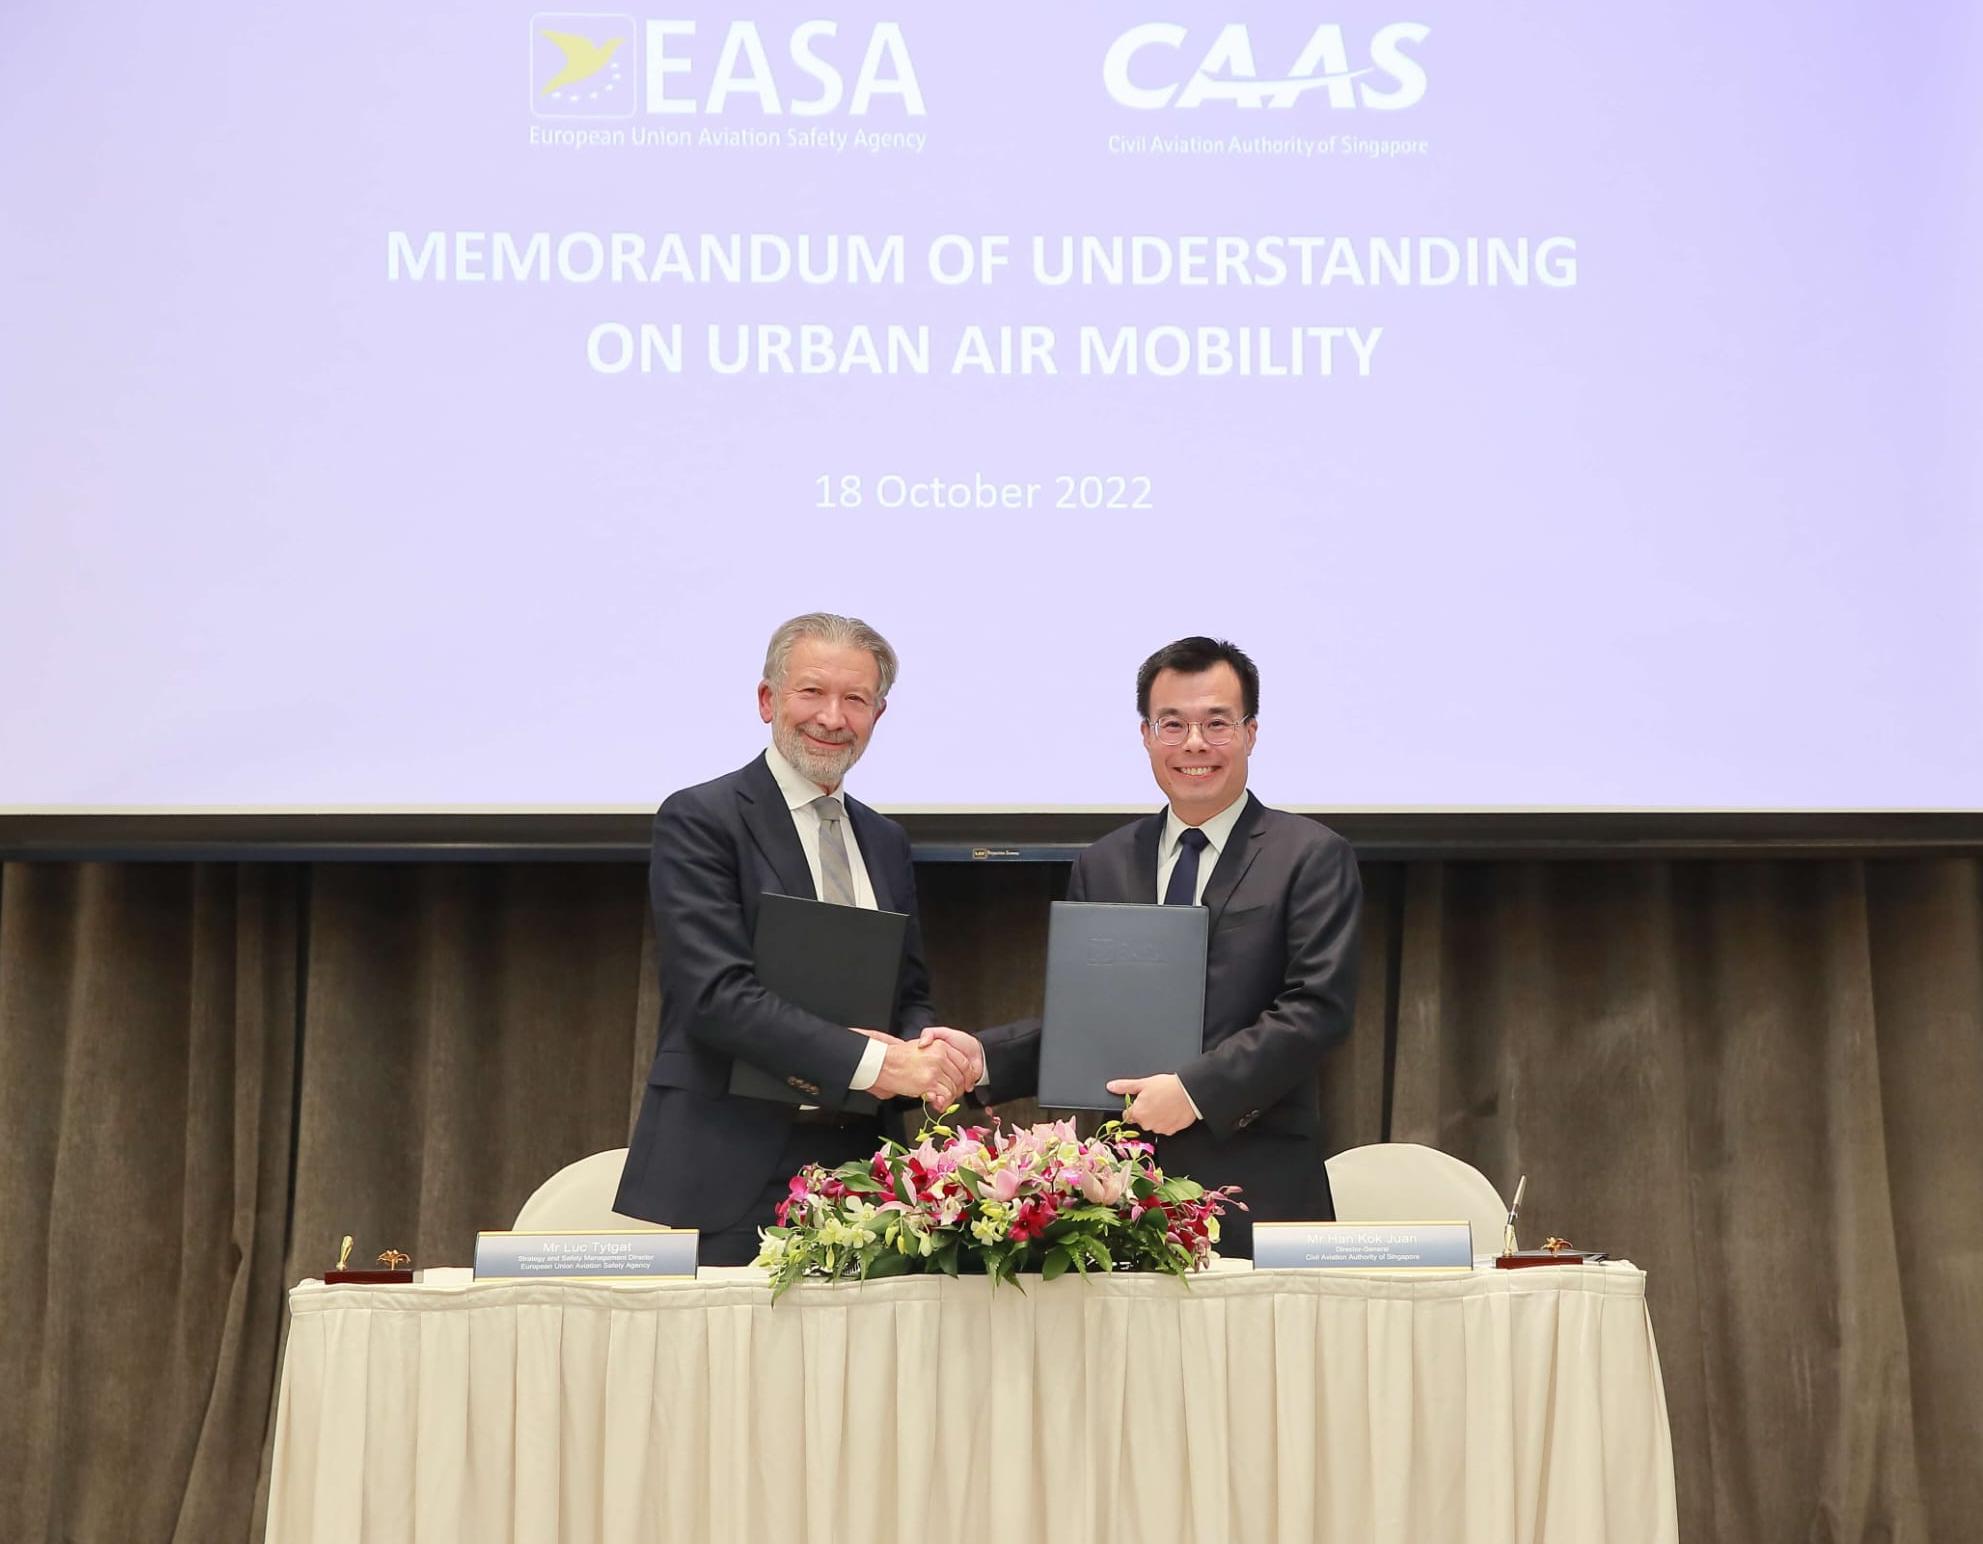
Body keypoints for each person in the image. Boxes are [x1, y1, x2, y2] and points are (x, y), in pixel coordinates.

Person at [932, 637, 1362, 1258]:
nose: (1194, 744)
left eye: (1217, 723)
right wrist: (985, 1057)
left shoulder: (1311, 856)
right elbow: (1094, 1021)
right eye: (1173, 724)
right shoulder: (1104, 862)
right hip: (1121, 1196)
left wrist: (1195, 1091)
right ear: (1146, 735)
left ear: (1251, 733)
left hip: (1259, 1191)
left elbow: (1317, 1011)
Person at [614, 612, 973, 1264]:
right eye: (812, 692)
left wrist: (927, 1056)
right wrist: (879, 1065)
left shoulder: (885, 841)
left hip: (867, 1166)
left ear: (877, 715)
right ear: (767, 699)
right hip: (733, 1168)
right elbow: (715, 996)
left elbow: (908, 990)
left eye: (855, 699)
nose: (832, 718)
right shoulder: (701, 818)